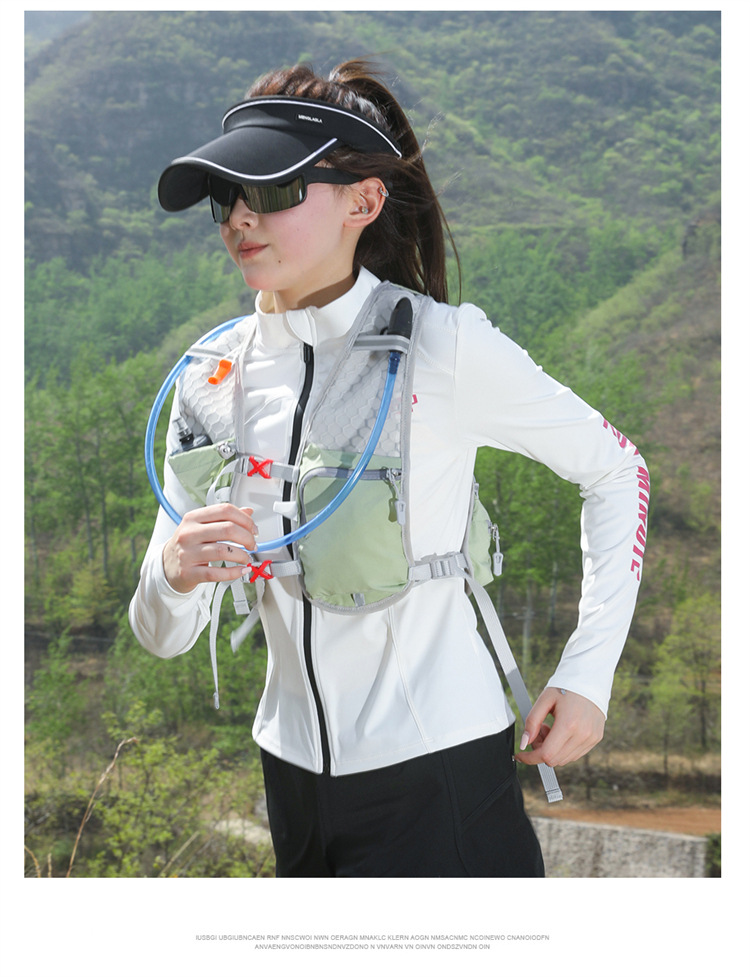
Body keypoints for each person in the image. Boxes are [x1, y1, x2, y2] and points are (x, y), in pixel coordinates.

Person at [129, 59, 649, 877]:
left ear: (363, 202)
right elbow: (162, 637)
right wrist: (171, 572)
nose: (240, 217)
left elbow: (619, 471)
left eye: (273, 190)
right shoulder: (209, 378)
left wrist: (588, 674)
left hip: (438, 774)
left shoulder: (442, 346)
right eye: (225, 197)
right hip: (289, 779)